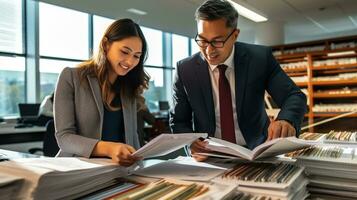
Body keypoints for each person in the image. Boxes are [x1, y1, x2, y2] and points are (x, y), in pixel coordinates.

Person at [169, 0, 307, 161]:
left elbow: (294, 96)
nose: (209, 50)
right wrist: (190, 142)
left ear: (235, 35)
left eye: (217, 41)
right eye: (203, 40)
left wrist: (286, 119)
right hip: (210, 154)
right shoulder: (185, 69)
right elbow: (178, 121)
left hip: (257, 151)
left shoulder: (259, 59)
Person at [54, 18, 149, 166]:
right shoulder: (71, 77)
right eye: (125, 52)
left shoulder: (128, 87)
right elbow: (64, 138)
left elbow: (133, 138)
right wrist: (108, 148)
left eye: (136, 56)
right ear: (106, 45)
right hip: (77, 169)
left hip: (118, 173)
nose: (130, 62)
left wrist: (141, 171)